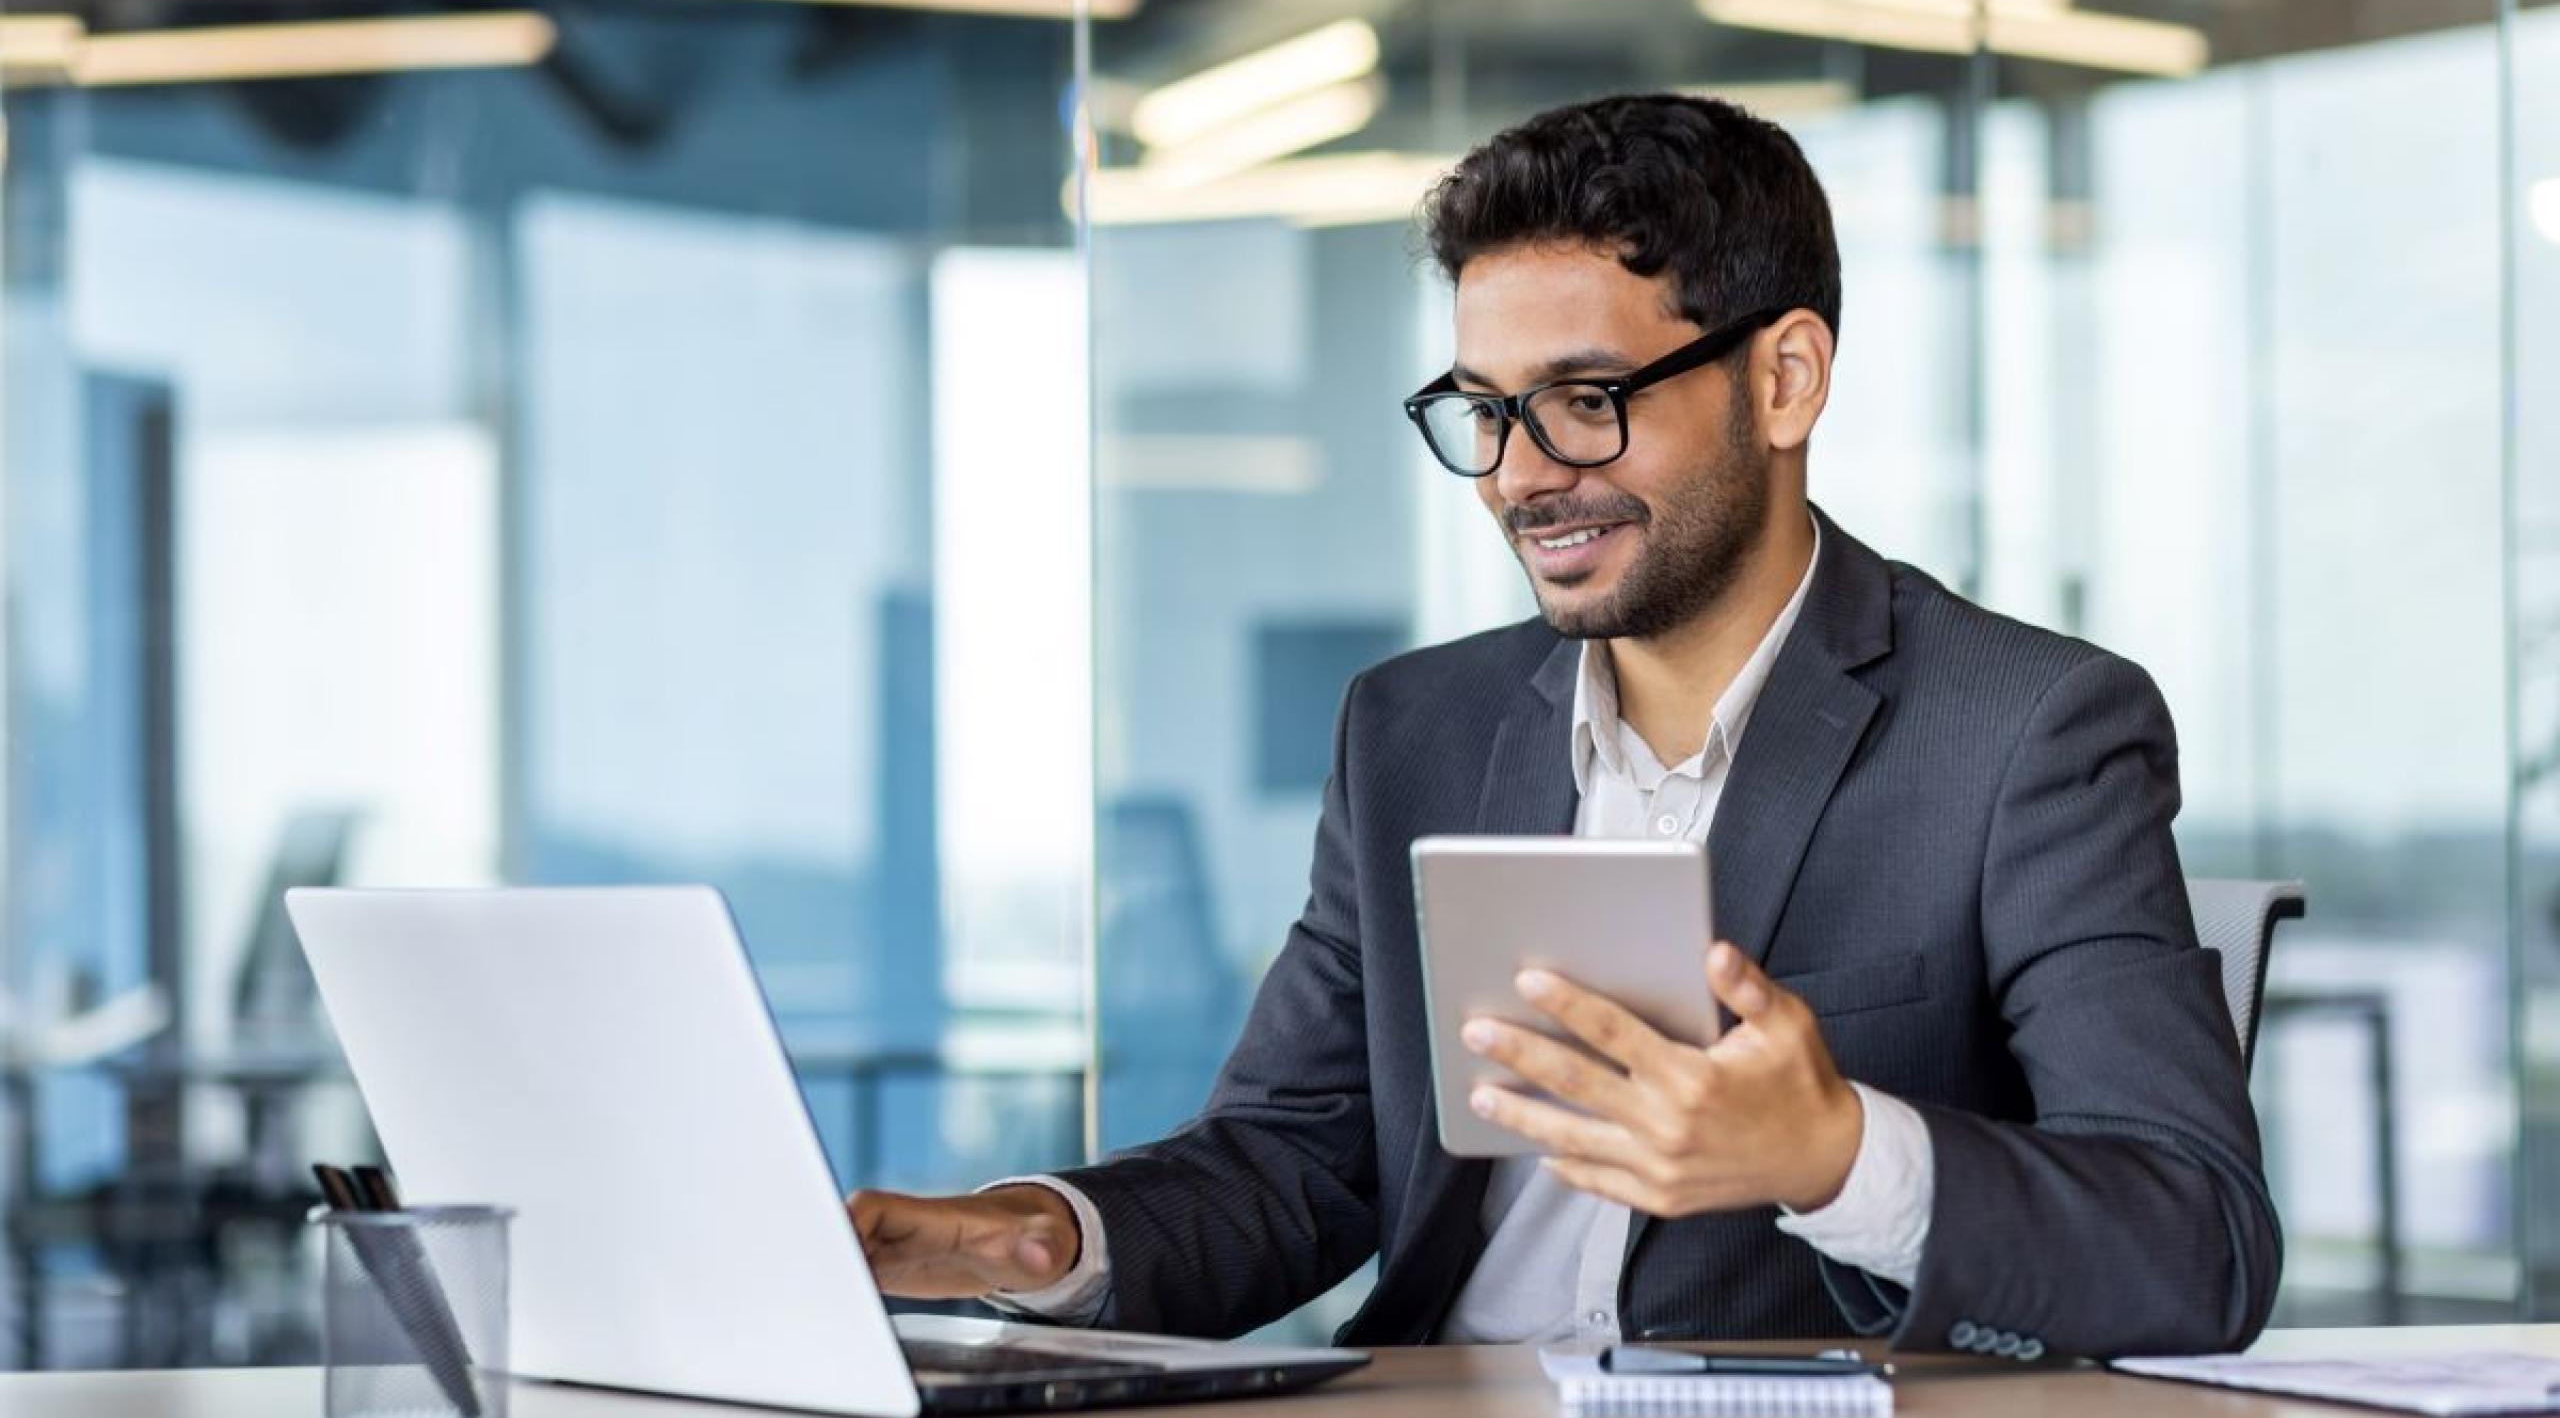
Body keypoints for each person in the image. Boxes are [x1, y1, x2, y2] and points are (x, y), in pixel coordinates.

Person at [851, 93, 2280, 1358]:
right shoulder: (1412, 728)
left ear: (1784, 380)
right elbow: (1301, 1159)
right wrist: (1038, 1239)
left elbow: (2196, 1241)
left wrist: (1837, 1156)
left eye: (1587, 402)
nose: (1521, 477)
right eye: (1486, 412)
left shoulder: (2024, 729)